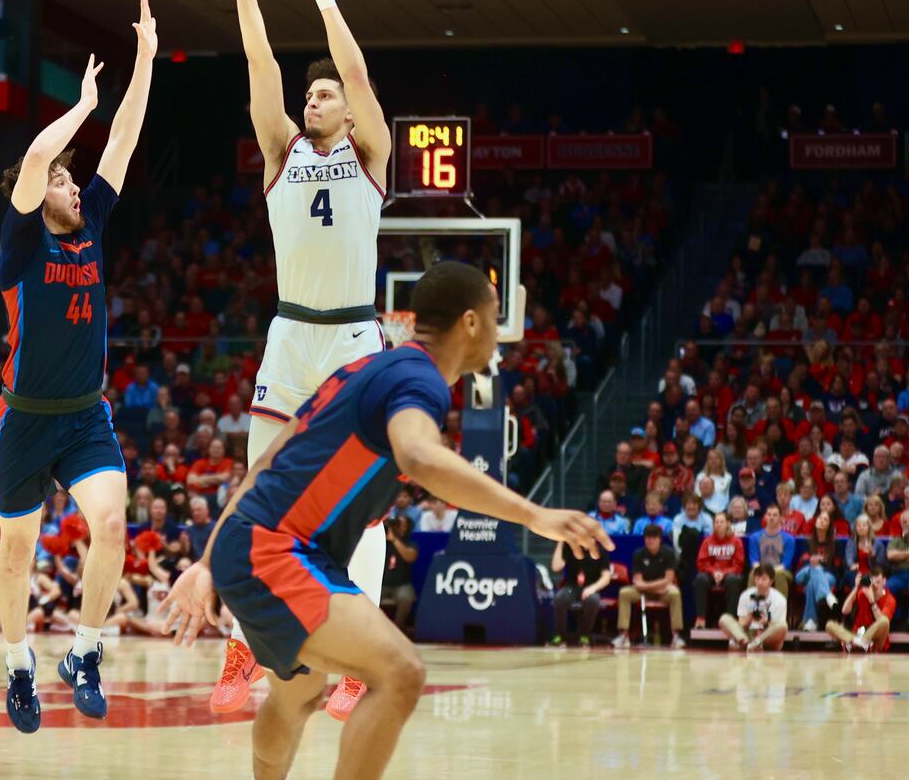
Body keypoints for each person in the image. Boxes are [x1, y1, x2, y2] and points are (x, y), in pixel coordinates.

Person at [161, 262, 609, 780]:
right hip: (277, 550)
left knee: (298, 693)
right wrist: (535, 515)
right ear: (470, 322)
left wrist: (210, 560)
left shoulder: (365, 369)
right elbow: (418, 456)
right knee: (400, 673)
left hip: (259, 544)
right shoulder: (419, 378)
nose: (498, 327)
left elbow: (266, 462)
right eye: (494, 314)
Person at [200, 0, 396, 721]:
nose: (313, 98)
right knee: (258, 491)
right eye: (308, 94)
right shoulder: (281, 150)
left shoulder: (371, 152)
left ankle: (357, 662)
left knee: (365, 503)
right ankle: (244, 648)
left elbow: (352, 68)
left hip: (354, 337)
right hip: (289, 333)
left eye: (324, 95)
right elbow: (259, 65)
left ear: (349, 111)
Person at [0, 0, 155, 734]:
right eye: (62, 181)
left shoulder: (92, 220)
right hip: (24, 420)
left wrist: (145, 58)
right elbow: (32, 161)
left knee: (113, 529)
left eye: (69, 180)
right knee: (17, 550)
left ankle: (83, 655)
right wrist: (81, 103)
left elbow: (124, 139)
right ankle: (19, 663)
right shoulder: (21, 246)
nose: (71, 186)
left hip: (86, 415)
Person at [612, 524, 685, 649]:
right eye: (648, 538)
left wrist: (647, 586)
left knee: (675, 593)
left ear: (660, 539)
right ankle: (623, 635)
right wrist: (655, 587)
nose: (650, 540)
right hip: (646, 591)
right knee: (624, 593)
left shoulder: (668, 553)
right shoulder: (638, 554)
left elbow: (669, 579)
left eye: (654, 538)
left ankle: (676, 636)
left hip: (663, 592)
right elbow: (637, 581)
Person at [549, 538, 610, 647]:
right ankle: (560, 635)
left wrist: (593, 588)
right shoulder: (571, 548)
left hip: (590, 587)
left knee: (593, 599)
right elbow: (556, 567)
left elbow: (606, 577)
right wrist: (561, 542)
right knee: (559, 598)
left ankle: (584, 635)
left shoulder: (600, 552)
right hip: (571, 587)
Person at [693, 512, 746, 628]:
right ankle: (701, 619)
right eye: (716, 522)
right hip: (711, 573)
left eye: (721, 522)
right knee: (700, 579)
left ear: (727, 524)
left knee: (733, 580)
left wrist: (724, 573)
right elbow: (702, 562)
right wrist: (714, 572)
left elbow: (739, 564)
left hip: (729, 573)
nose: (718, 524)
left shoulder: (736, 541)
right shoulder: (707, 541)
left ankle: (730, 620)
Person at [827, 566, 897, 652]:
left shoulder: (890, 599)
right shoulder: (862, 593)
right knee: (829, 625)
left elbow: (882, 622)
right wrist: (856, 587)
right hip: (857, 634)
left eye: (878, 582)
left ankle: (861, 642)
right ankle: (858, 642)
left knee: (884, 621)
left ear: (884, 581)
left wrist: (871, 601)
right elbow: (844, 611)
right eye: (873, 582)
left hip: (875, 639)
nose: (876, 585)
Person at [720, 563, 787, 652]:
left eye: (763, 579)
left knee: (783, 626)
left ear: (771, 581)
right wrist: (750, 617)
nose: (759, 582)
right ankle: (744, 641)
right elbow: (741, 623)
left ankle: (755, 643)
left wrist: (766, 623)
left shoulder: (780, 599)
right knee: (724, 619)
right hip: (748, 634)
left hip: (767, 638)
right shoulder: (746, 595)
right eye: (757, 578)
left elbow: (777, 627)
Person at [795, 510, 843, 632]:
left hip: (828, 575)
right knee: (809, 573)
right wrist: (812, 563)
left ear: (829, 525)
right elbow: (803, 564)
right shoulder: (807, 541)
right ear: (815, 521)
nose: (821, 521)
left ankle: (810, 621)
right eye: (820, 518)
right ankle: (826, 595)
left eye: (825, 519)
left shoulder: (835, 543)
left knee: (812, 583)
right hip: (806, 572)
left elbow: (837, 567)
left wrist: (820, 565)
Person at [746, 504, 796, 600]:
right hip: (761, 569)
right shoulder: (755, 537)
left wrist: (769, 573)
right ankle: (752, 606)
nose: (771, 517)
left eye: (775, 515)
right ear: (765, 517)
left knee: (779, 575)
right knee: (753, 573)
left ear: (781, 518)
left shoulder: (789, 539)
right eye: (769, 515)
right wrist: (763, 573)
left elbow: (786, 564)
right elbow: (754, 561)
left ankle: (781, 609)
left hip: (781, 571)